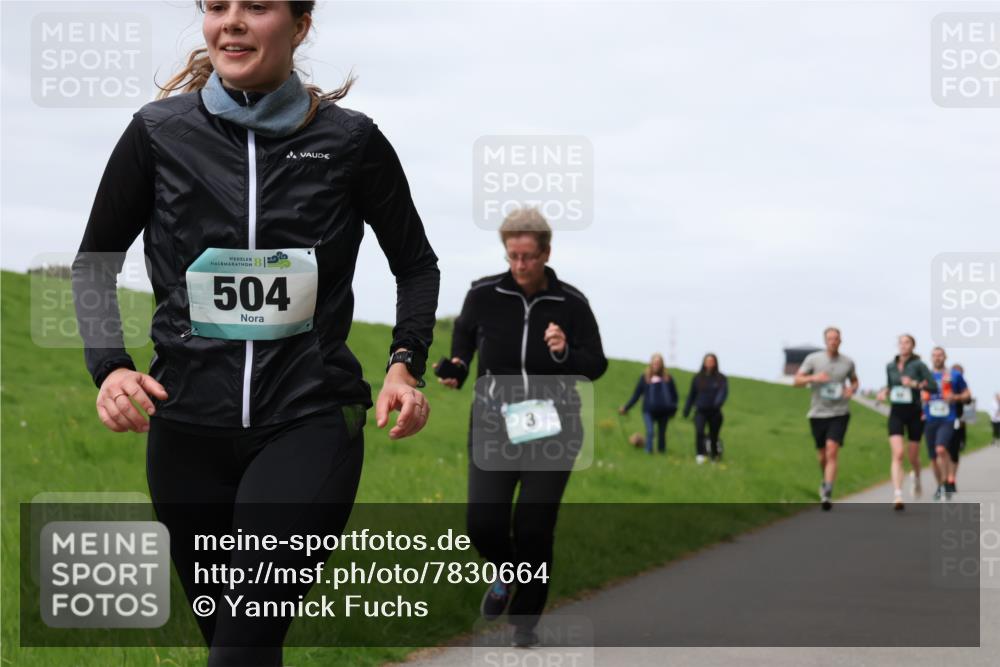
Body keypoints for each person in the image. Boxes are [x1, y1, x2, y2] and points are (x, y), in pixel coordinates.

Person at [71, 2, 439, 665]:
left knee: (238, 647)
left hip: (307, 422)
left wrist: (404, 363)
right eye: (216, 6)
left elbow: (415, 263)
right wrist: (110, 365)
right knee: (239, 644)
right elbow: (95, 260)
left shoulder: (350, 142)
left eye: (256, 7)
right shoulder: (158, 134)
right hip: (186, 433)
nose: (231, 23)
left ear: (299, 26)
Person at [438, 207, 607, 648]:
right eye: (513, 255)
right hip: (495, 426)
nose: (520, 265)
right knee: (482, 524)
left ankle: (524, 621)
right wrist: (455, 368)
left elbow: (597, 365)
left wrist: (565, 352)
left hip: (554, 429)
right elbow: (464, 344)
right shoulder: (483, 295)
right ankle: (506, 570)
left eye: (528, 256)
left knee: (533, 527)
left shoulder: (571, 304)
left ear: (546, 253)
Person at [793, 327, 859, 511]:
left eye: (836, 338)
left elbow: (854, 380)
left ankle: (828, 491)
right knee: (822, 455)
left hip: (839, 413)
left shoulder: (848, 362)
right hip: (817, 413)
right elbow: (796, 381)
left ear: (840, 340)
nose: (833, 341)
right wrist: (814, 377)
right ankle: (825, 480)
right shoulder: (813, 359)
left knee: (832, 451)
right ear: (825, 341)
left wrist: (851, 389)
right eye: (830, 338)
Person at [877, 334, 936, 511]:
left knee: (912, 456)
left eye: (907, 342)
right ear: (898, 345)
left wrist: (915, 384)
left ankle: (916, 477)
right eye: (901, 343)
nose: (903, 345)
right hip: (896, 412)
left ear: (913, 346)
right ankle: (897, 494)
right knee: (898, 453)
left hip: (914, 412)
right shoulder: (890, 366)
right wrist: (884, 392)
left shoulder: (919, 365)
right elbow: (890, 385)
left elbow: (933, 387)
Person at [923, 348, 970, 500]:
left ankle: (947, 482)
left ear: (945, 357)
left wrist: (955, 397)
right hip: (930, 419)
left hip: (948, 419)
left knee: (941, 449)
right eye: (934, 355)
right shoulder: (926, 376)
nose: (937, 358)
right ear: (931, 358)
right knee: (932, 457)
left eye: (940, 355)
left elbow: (967, 394)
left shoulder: (954, 375)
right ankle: (941, 485)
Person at [619, 353, 679, 454]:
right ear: (651, 363)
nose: (656, 365)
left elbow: (674, 396)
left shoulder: (668, 378)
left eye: (658, 363)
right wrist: (626, 407)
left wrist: (673, 410)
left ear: (662, 364)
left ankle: (661, 452)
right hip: (648, 410)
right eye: (654, 363)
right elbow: (636, 395)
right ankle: (648, 451)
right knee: (650, 432)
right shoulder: (645, 377)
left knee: (662, 434)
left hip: (664, 411)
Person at [682, 353, 728, 463]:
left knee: (713, 435)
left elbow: (723, 393)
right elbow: (692, 395)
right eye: (707, 361)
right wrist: (687, 409)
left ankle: (714, 456)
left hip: (715, 412)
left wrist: (717, 404)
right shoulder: (698, 378)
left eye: (711, 361)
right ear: (704, 362)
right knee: (699, 432)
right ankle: (700, 455)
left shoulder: (721, 378)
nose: (709, 363)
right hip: (700, 411)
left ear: (715, 363)